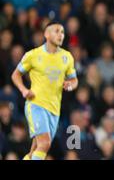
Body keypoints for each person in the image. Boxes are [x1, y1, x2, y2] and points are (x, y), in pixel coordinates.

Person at [11, 21, 79, 160]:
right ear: (46, 34)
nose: (60, 35)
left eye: (62, 32)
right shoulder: (33, 55)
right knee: (45, 143)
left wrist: (70, 85)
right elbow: (16, 74)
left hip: (54, 109)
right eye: (56, 31)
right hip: (36, 104)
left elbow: (74, 80)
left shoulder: (67, 57)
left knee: (36, 149)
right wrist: (24, 90)